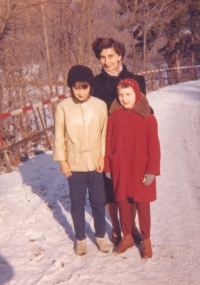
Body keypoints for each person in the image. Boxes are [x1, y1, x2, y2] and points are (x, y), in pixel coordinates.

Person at [92, 37, 151, 245]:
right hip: (106, 141)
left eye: (110, 56)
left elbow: (145, 110)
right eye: (102, 57)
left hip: (131, 142)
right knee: (110, 187)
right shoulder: (95, 83)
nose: (106, 61)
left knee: (131, 186)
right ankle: (117, 228)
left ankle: (131, 226)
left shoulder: (136, 79)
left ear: (119, 55)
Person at [53, 65, 110, 256]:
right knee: (77, 203)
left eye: (84, 87)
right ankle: (80, 239)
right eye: (76, 87)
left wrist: (102, 157)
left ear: (90, 87)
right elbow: (59, 136)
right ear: (71, 87)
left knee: (98, 202)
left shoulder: (99, 105)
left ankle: (100, 236)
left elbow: (104, 135)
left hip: (95, 163)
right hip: (74, 164)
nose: (80, 91)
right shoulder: (63, 107)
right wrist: (62, 160)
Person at [104, 78, 160, 258]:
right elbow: (108, 144)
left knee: (143, 205)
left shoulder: (148, 118)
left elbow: (154, 147)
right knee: (123, 203)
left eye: (128, 94)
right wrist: (108, 166)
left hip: (141, 170)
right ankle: (127, 235)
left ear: (137, 94)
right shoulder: (113, 118)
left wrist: (151, 170)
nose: (124, 98)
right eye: (121, 95)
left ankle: (146, 239)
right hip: (121, 168)